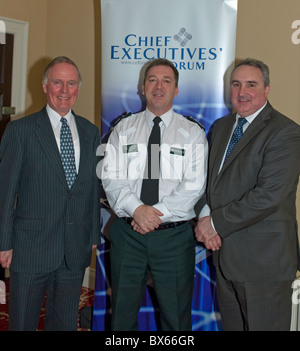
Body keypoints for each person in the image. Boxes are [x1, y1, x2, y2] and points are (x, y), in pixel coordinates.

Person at [101, 58, 208, 331]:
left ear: (176, 90)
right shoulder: (123, 128)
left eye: (166, 81)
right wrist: (137, 210)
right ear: (142, 87)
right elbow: (112, 178)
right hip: (128, 235)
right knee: (122, 317)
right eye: (152, 80)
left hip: (173, 237)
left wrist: (151, 215)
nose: (158, 86)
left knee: (176, 318)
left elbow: (194, 186)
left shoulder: (192, 133)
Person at [195, 58, 300, 331]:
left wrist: (213, 223)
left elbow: (269, 196)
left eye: (251, 85)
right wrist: (205, 213)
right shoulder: (220, 127)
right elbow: (209, 182)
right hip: (225, 256)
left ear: (266, 89)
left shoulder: (286, 132)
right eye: (236, 84)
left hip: (264, 263)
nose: (242, 92)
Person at [0, 56, 101, 330]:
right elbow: (5, 193)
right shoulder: (20, 131)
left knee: (65, 323)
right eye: (57, 82)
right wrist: (3, 241)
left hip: (74, 248)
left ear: (78, 88)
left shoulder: (91, 133)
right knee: (22, 321)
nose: (64, 90)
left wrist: (92, 233)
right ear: (45, 86)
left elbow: (91, 189)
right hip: (30, 248)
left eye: (71, 83)